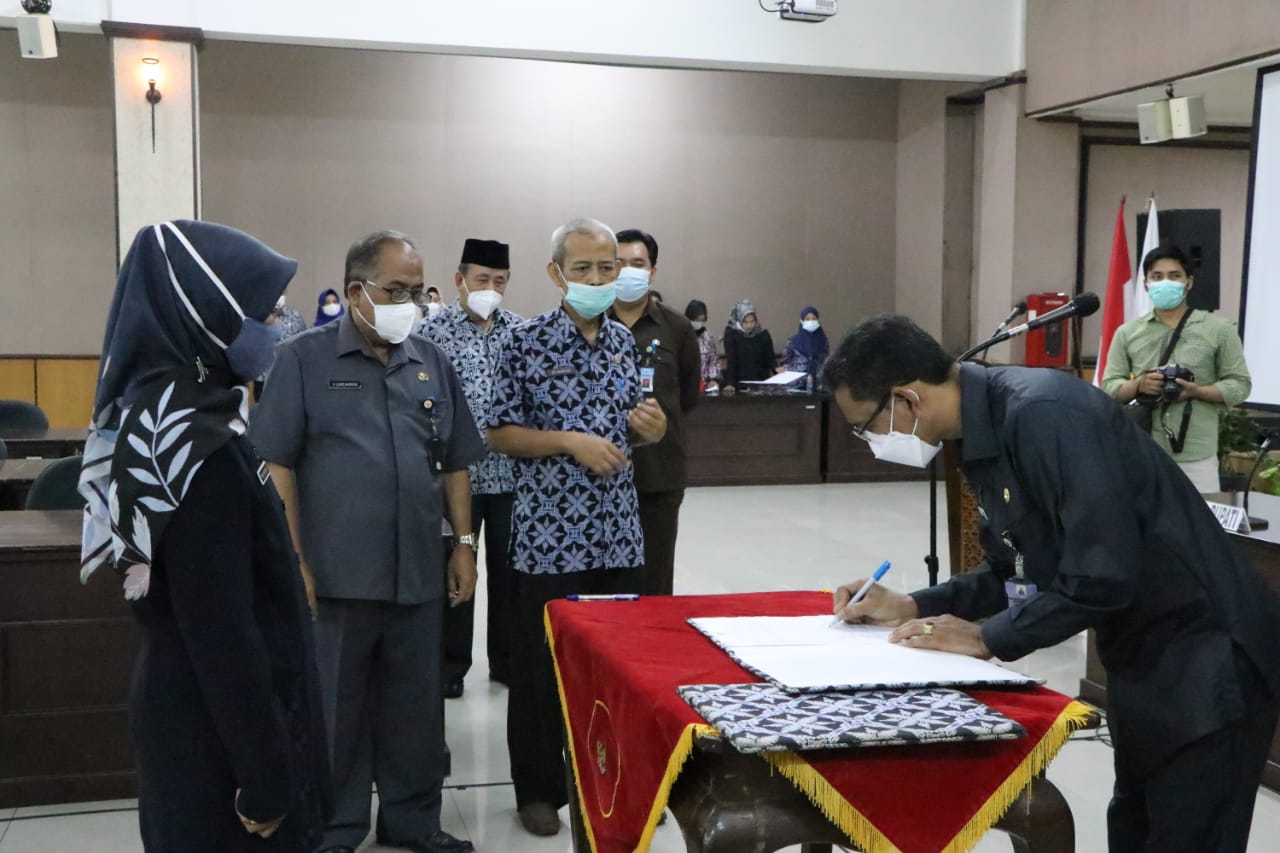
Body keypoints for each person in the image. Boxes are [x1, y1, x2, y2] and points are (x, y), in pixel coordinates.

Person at [825, 313, 1280, 853]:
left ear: (906, 399)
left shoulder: (1044, 415)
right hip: (1143, 657)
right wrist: (911, 604)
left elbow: (1102, 576)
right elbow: (1014, 569)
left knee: (1188, 835)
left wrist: (988, 637)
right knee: (1135, 829)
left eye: (866, 426)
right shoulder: (983, 431)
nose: (871, 441)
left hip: (1208, 656)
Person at [78, 220, 331, 852]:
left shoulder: (171, 413)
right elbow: (222, 634)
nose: (278, 325)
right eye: (264, 312)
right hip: (221, 740)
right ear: (209, 314)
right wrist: (266, 778)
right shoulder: (196, 450)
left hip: (194, 712)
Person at [250, 230, 483, 853]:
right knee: (337, 707)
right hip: (337, 574)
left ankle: (413, 819)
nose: (411, 303)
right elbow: (277, 463)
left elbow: (457, 461)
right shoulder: (302, 359)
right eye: (396, 290)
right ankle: (336, 825)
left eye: (417, 291)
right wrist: (294, 560)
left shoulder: (430, 360)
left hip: (419, 570)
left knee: (416, 708)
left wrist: (464, 544)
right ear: (356, 292)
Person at [487, 217, 667, 837]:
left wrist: (652, 429)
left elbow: (638, 426)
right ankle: (538, 790)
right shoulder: (524, 342)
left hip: (618, 534)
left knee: (618, 669)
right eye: (583, 268)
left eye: (606, 268)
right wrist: (569, 442)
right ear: (556, 273)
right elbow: (498, 432)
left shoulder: (624, 342)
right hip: (549, 539)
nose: (596, 279)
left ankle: (614, 781)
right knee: (541, 669)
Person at [418, 237, 523, 696]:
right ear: (460, 280)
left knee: (511, 574)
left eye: (500, 281)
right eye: (482, 279)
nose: (491, 289)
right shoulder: (431, 335)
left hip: (511, 477)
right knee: (455, 569)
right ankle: (450, 665)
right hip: (452, 476)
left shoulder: (521, 333)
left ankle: (507, 661)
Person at [1102, 244, 1251, 493]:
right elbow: (1108, 387)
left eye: (1174, 276)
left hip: (1197, 456)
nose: (1165, 282)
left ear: (1188, 283)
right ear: (1146, 284)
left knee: (1200, 517)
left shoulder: (1219, 330)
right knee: (1145, 518)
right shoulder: (1127, 333)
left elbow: (1240, 385)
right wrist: (1139, 385)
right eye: (1157, 276)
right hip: (1142, 451)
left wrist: (1197, 391)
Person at [612, 228, 700, 596]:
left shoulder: (677, 328)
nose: (627, 272)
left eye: (637, 263)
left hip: (658, 475)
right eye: (618, 264)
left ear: (652, 271)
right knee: (604, 584)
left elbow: (687, 397)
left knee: (655, 579)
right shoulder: (591, 323)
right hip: (598, 475)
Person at [722, 299, 776, 394]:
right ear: (739, 320)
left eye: (752, 321)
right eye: (745, 322)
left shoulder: (762, 334)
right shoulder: (732, 334)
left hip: (761, 383)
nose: (749, 325)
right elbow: (732, 361)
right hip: (740, 384)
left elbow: (770, 358)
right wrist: (730, 383)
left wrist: (776, 368)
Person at [781, 305, 830, 388]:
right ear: (802, 321)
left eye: (814, 319)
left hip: (819, 383)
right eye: (807, 319)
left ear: (818, 320)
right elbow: (786, 363)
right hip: (797, 384)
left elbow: (825, 361)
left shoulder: (823, 341)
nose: (811, 321)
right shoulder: (793, 341)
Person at [685, 299, 721, 392]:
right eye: (696, 320)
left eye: (702, 320)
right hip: (684, 384)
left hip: (703, 385)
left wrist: (713, 379)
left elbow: (713, 361)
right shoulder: (681, 335)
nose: (699, 323)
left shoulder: (707, 337)